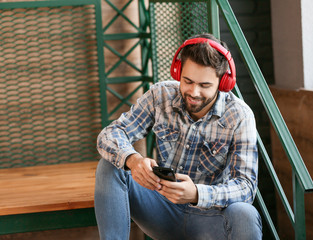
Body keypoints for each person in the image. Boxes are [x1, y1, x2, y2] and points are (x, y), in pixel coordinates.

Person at [94, 33, 262, 240]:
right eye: (188, 81)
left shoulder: (239, 116)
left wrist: (197, 194)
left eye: (205, 85)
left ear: (223, 82)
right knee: (110, 165)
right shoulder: (160, 95)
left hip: (210, 219)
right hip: (161, 210)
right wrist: (133, 160)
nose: (194, 92)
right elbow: (108, 135)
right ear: (178, 72)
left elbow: (246, 187)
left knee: (245, 213)